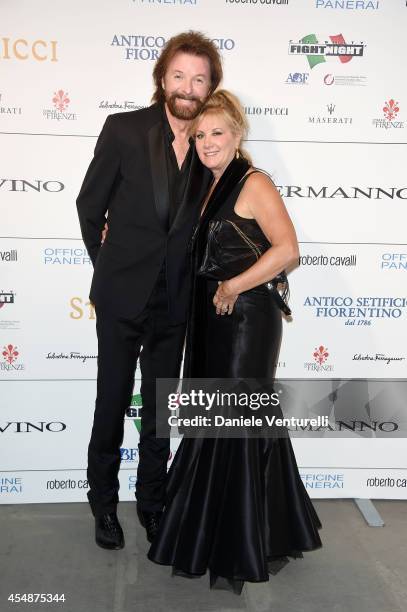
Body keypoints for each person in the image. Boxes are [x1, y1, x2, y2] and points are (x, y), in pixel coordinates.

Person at [148, 90, 322, 593]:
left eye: (216, 133)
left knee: (236, 420)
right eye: (199, 135)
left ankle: (236, 541)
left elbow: (287, 249)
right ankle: (250, 526)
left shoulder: (253, 182)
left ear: (238, 134)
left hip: (245, 317)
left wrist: (233, 285)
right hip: (213, 319)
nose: (206, 143)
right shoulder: (210, 185)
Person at [76, 31, 222, 550]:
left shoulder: (213, 146)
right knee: (111, 402)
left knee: (159, 412)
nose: (188, 86)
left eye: (199, 78)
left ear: (210, 88)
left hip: (176, 301)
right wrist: (110, 268)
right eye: (180, 75)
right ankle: (103, 506)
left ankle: (153, 504)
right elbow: (89, 207)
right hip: (121, 297)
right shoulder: (124, 129)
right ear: (162, 77)